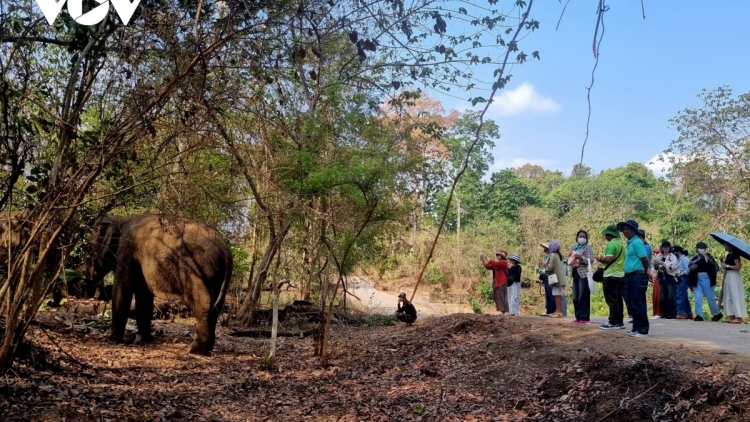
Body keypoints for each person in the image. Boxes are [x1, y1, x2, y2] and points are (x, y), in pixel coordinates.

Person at [617, 219, 650, 337]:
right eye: (624, 229)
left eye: (628, 229)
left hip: (637, 275)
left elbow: (645, 259)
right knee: (633, 303)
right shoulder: (630, 243)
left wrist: (646, 271)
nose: (625, 231)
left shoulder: (636, 242)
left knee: (638, 302)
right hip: (630, 276)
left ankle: (642, 329)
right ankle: (636, 327)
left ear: (634, 231)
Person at [596, 225, 626, 330]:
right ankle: (620, 321)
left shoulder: (611, 244)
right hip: (620, 275)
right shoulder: (621, 245)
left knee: (611, 299)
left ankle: (613, 321)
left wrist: (600, 258)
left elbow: (608, 259)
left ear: (610, 235)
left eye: (606, 235)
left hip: (610, 275)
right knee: (618, 298)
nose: (605, 237)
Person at [688, 241, 723, 322]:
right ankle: (699, 315)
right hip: (697, 279)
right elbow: (689, 268)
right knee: (698, 297)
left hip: (707, 278)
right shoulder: (694, 258)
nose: (702, 250)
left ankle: (717, 314)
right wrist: (694, 267)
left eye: (703, 248)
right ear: (697, 249)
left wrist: (706, 258)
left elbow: (716, 268)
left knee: (710, 297)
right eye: (700, 248)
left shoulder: (710, 257)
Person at [568, 229, 594, 324]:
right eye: (580, 236)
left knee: (583, 295)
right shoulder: (574, 247)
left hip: (584, 273)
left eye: (584, 237)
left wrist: (581, 257)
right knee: (575, 297)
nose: (582, 238)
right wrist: (570, 256)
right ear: (577, 238)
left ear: (586, 238)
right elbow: (569, 260)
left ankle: (585, 317)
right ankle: (578, 316)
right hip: (575, 273)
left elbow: (591, 260)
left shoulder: (588, 248)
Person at [720, 243, 746, 324]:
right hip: (728, 275)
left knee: (735, 295)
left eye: (726, 245)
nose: (725, 247)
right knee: (728, 296)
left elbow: (738, 267)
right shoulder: (729, 255)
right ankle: (731, 316)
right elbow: (725, 266)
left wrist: (727, 265)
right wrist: (723, 262)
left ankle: (738, 317)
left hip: (734, 275)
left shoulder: (735, 255)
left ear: (731, 246)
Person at [653, 240, 679, 320]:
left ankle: (672, 314)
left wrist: (663, 264)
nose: (665, 248)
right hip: (661, 276)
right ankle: (664, 313)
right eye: (664, 247)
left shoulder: (673, 256)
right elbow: (655, 266)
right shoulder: (659, 256)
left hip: (670, 277)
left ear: (669, 247)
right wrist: (656, 267)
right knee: (663, 296)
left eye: (667, 247)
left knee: (671, 296)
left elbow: (673, 267)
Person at [480, 249, 510, 314]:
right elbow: (488, 266)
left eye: (500, 255)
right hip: (497, 282)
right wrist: (483, 260)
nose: (498, 256)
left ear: (503, 256)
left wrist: (486, 256)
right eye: (498, 255)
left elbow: (493, 262)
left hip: (503, 282)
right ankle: (502, 311)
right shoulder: (498, 264)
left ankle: (506, 311)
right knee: (498, 296)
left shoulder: (503, 262)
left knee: (503, 296)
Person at [545, 240, 567, 318]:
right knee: (560, 295)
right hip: (562, 279)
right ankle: (559, 311)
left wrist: (545, 268)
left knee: (557, 295)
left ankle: (559, 312)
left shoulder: (553, 255)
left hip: (556, 279)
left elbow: (550, 267)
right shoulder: (560, 255)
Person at [673, 246, 693, 319]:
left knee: (680, 295)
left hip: (683, 278)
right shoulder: (677, 259)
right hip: (678, 278)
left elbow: (689, 268)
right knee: (684, 296)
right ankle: (688, 313)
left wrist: (682, 273)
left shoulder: (684, 259)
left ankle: (679, 312)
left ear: (678, 252)